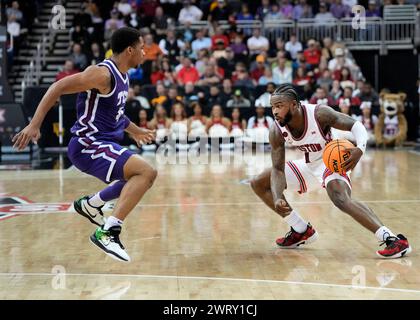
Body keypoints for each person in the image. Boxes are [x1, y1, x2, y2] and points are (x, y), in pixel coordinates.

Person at [12, 27, 157, 262]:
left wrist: (137, 131)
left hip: (101, 143)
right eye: (142, 48)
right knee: (146, 172)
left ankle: (91, 205)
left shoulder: (124, 74)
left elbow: (117, 115)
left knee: (136, 179)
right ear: (130, 50)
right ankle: (108, 231)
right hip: (87, 144)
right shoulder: (102, 74)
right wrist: (34, 124)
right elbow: (57, 87)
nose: (145, 52)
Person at [250, 84, 411, 259]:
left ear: (294, 105)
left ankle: (392, 239)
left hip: (332, 162)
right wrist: (277, 196)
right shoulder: (276, 130)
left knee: (340, 199)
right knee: (258, 183)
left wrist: (360, 149)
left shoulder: (319, 113)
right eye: (273, 106)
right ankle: (301, 230)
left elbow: (356, 125)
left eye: (279, 106)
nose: (274, 111)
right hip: (309, 165)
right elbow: (278, 169)